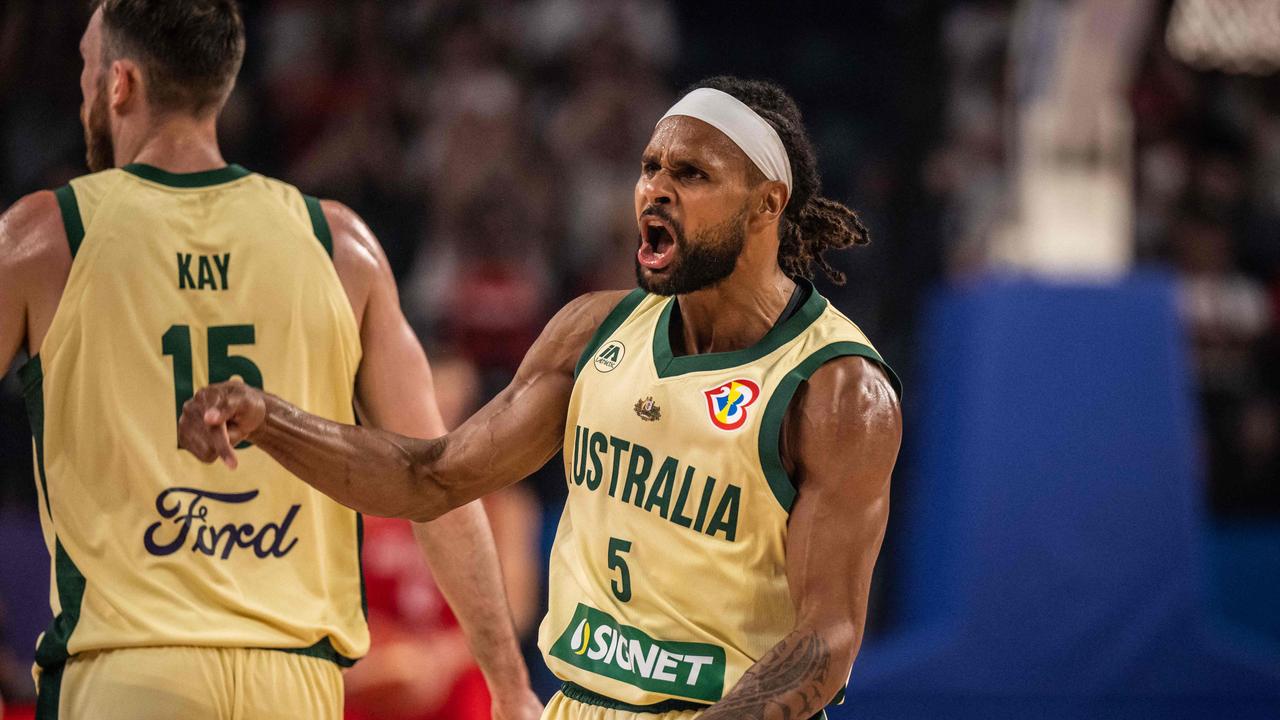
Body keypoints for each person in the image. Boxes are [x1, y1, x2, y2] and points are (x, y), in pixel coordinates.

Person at [181, 76, 904, 720]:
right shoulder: (591, 333)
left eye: (691, 174)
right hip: (578, 702)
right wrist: (269, 419)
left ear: (765, 207)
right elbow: (428, 477)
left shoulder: (837, 389)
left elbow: (827, 637)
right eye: (650, 167)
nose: (656, 189)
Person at [0, 2, 541, 719]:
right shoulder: (336, 243)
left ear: (120, 84)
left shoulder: (45, 236)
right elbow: (434, 477)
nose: (80, 92)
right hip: (294, 687)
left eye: (84, 69)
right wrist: (509, 686)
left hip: (126, 673)